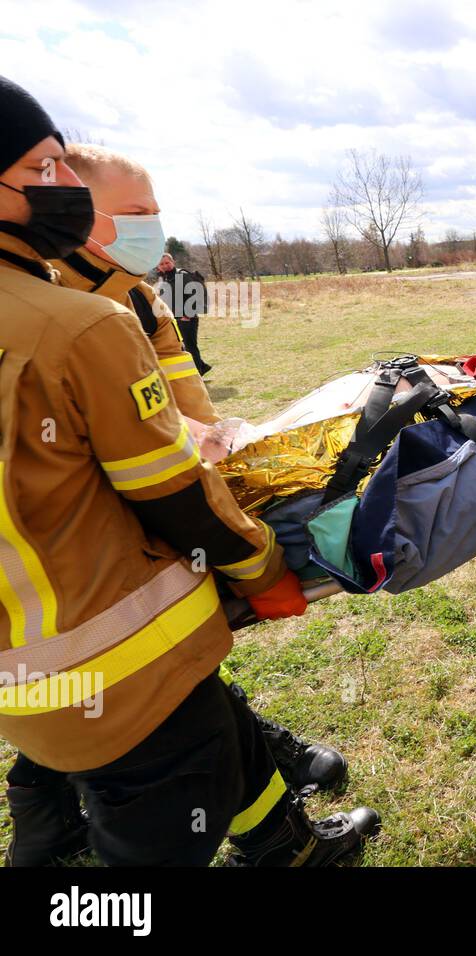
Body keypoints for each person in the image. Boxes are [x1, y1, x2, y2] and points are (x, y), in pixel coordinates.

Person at [0, 75, 376, 866]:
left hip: (37, 653)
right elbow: (165, 482)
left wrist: (213, 439)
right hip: (112, 648)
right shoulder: (72, 322)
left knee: (209, 719)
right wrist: (259, 562)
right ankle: (47, 813)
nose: (60, 187)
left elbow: (186, 424)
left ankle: (283, 845)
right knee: (157, 812)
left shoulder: (130, 303)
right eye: (44, 168)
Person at [156, 250, 211, 376]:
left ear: (173, 262)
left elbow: (195, 294)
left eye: (167, 262)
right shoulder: (164, 279)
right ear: (158, 266)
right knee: (184, 347)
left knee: (190, 347)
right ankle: (202, 367)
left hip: (187, 318)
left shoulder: (182, 275)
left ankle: (198, 374)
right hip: (174, 319)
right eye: (162, 264)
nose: (165, 265)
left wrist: (188, 315)